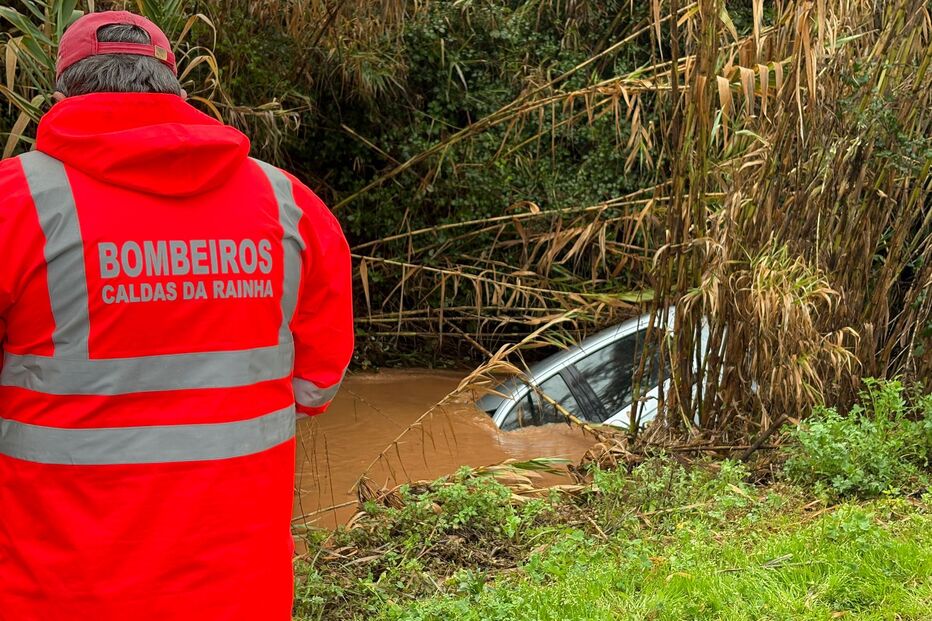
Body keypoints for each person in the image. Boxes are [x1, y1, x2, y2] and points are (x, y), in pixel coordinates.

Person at [0, 10, 353, 620]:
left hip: (55, 593)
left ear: (58, 95)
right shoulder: (290, 206)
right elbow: (317, 385)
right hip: (243, 591)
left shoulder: (16, 205)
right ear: (177, 90)